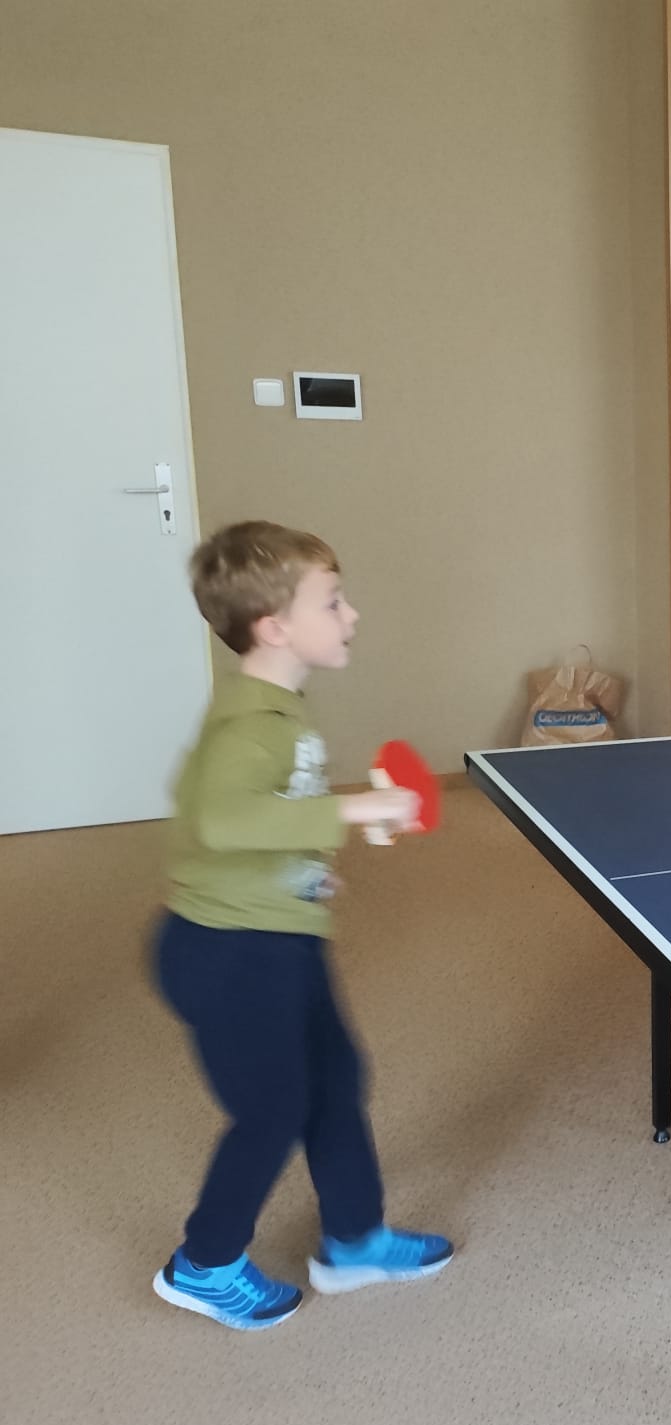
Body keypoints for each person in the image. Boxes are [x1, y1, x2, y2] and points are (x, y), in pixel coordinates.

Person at [151, 521, 451, 1329]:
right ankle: (203, 1263)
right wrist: (353, 808)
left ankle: (353, 1240)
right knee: (274, 1108)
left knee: (337, 1081)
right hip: (225, 953)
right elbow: (222, 819)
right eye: (334, 601)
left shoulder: (279, 709)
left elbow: (254, 822)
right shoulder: (251, 725)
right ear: (275, 626)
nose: (352, 615)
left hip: (278, 936)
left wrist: (308, 866)